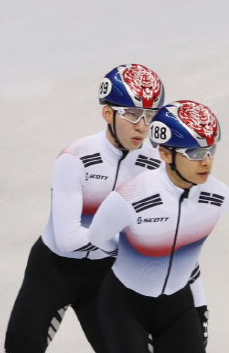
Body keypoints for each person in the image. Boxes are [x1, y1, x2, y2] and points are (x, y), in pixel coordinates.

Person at [4, 64, 166, 353]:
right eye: (131, 113)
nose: (142, 125)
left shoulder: (155, 164)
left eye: (150, 115)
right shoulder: (76, 157)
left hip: (106, 276)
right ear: (108, 113)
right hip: (54, 271)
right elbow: (67, 239)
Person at [88, 100, 225, 353]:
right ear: (165, 154)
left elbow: (185, 254)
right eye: (194, 153)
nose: (206, 161)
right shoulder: (131, 196)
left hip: (178, 305)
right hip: (124, 305)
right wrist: (135, 256)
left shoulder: (219, 196)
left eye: (210, 150)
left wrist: (200, 305)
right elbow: (98, 236)